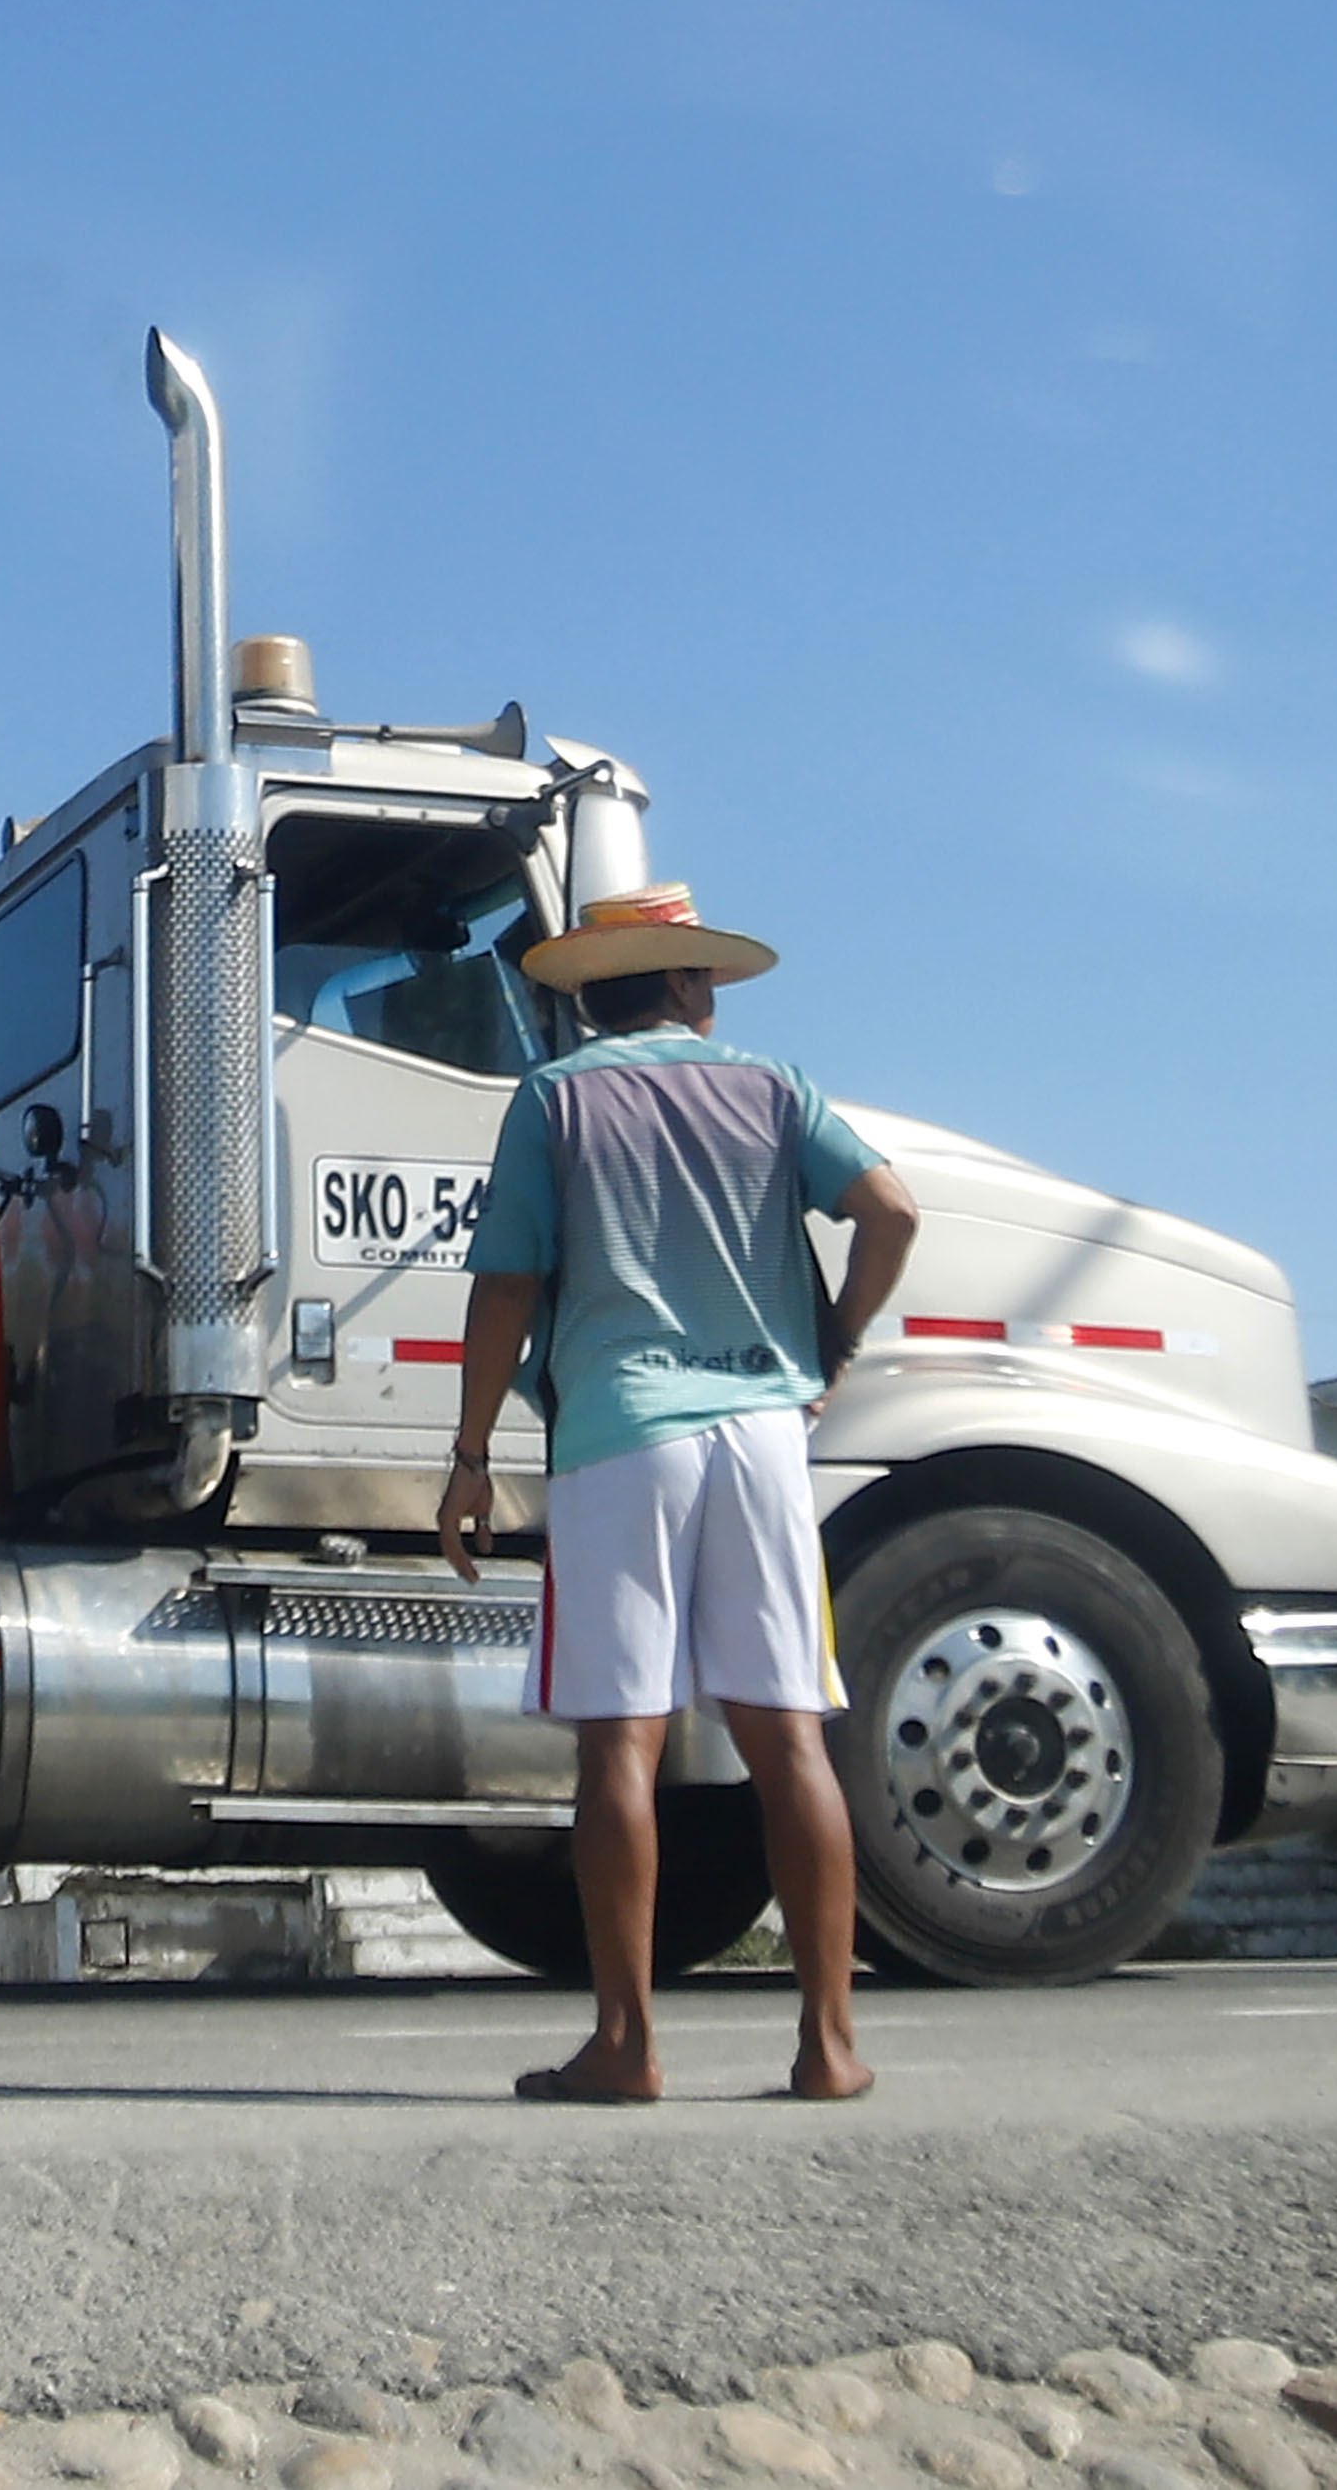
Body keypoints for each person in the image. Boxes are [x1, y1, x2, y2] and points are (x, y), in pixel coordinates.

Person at [436, 882, 918, 2103]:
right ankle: (828, 2046)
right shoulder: (773, 1087)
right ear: (690, 986)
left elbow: (505, 1285)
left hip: (618, 1435)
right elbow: (892, 1211)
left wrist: (472, 1453)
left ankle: (627, 2045)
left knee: (621, 1745)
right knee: (786, 1737)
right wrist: (835, 1344)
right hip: (761, 1434)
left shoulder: (555, 1099)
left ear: (589, 997)